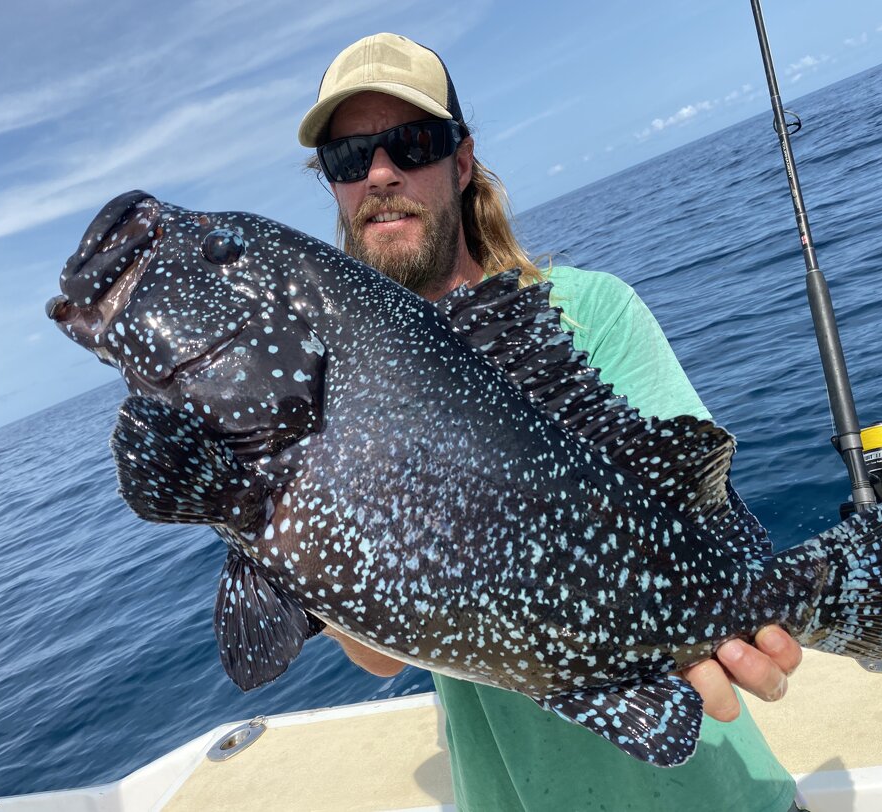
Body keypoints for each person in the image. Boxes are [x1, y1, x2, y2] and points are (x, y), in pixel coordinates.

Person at [298, 32, 804, 812]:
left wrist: (736, 608)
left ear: (461, 162)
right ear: (333, 184)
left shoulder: (591, 311)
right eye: (348, 157)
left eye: (412, 143)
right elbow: (381, 657)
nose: (381, 173)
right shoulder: (331, 393)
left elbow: (696, 511)